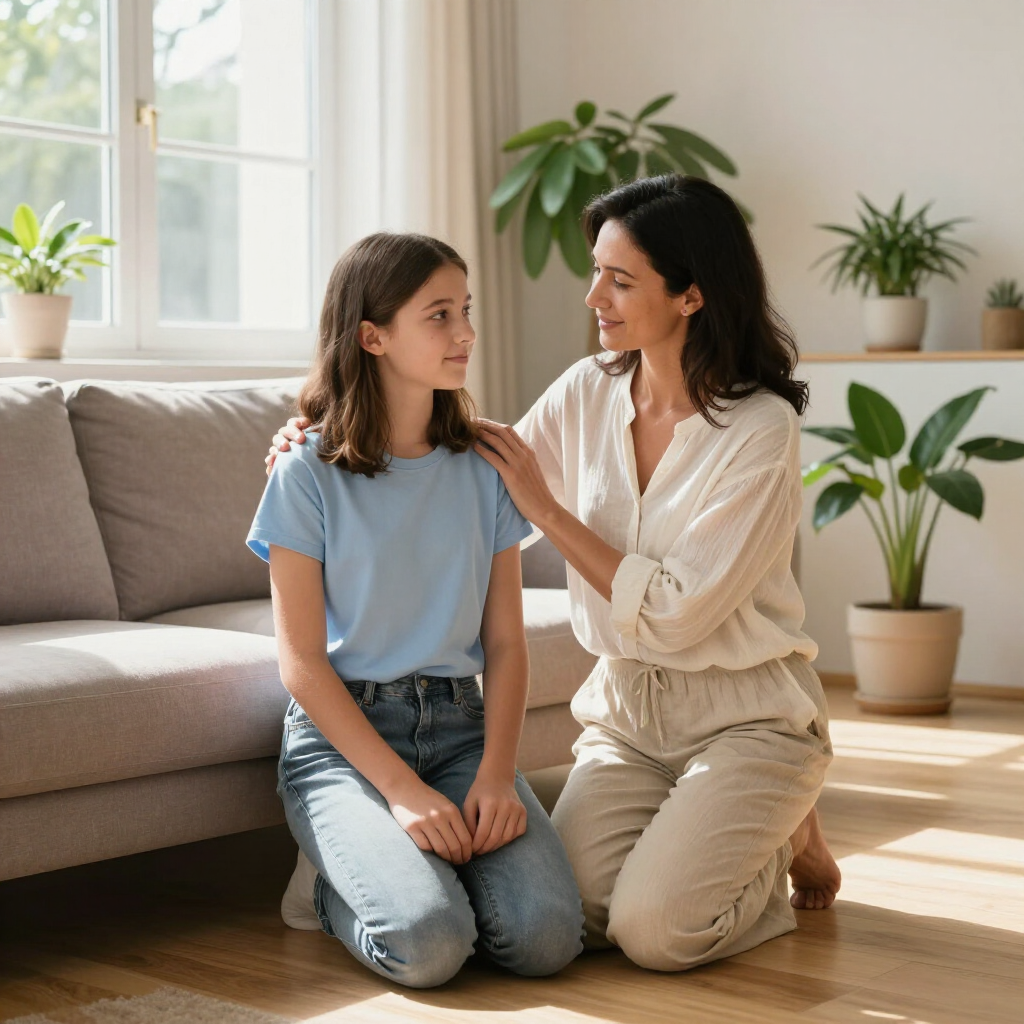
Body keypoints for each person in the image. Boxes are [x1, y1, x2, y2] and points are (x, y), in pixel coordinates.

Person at [267, 175, 842, 973]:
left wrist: (547, 508)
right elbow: (470, 456)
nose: (593, 296)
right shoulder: (589, 389)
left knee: (655, 933)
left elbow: (674, 611)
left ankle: (783, 834)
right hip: (629, 717)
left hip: (745, 711)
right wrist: (315, 427)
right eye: (597, 271)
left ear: (691, 295)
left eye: (620, 279)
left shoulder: (760, 429)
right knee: (580, 921)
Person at [248, 231, 583, 989]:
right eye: (439, 315)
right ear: (373, 336)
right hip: (342, 742)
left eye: (466, 310)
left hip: (462, 728)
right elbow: (300, 664)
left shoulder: (486, 466)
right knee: (431, 948)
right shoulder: (304, 471)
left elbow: (506, 643)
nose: (466, 332)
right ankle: (324, 886)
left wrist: (498, 775)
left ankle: (402, 863)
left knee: (546, 940)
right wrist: (401, 792)